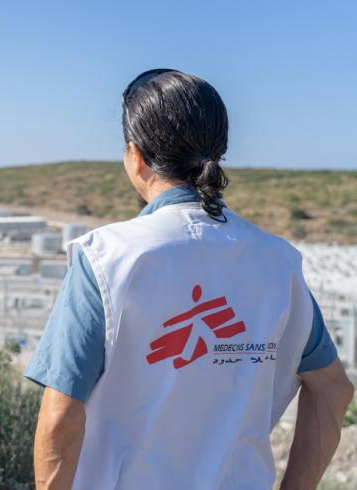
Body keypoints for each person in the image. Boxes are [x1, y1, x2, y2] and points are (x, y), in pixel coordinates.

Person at [24, 69, 354, 490]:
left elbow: (59, 417)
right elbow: (333, 390)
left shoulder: (107, 258)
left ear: (135, 155)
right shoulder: (278, 262)